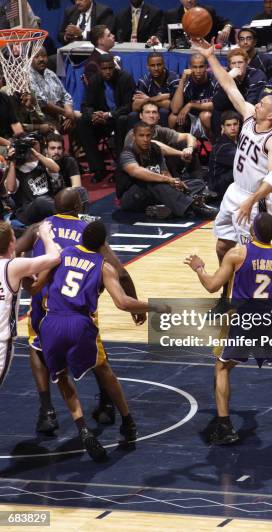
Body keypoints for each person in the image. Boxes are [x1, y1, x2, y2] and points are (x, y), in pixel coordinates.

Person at [184, 212, 272, 444]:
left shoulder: (237, 253)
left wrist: (199, 268)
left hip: (245, 319)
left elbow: (212, 286)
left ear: (252, 232)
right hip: (271, 319)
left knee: (222, 368)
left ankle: (225, 426)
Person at [16, 188, 145, 435]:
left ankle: (47, 411)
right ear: (79, 207)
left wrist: (23, 271)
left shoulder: (39, 227)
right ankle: (108, 405)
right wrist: (135, 305)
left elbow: (14, 251)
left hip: (43, 303)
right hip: (76, 306)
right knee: (97, 357)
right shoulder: (87, 231)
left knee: (37, 349)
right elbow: (121, 272)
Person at [36, 219, 166, 460]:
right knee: (104, 370)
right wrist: (155, 306)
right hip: (79, 323)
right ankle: (127, 422)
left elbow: (36, 285)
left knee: (62, 377)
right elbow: (123, 302)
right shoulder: (104, 266)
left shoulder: (62, 254)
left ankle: (83, 429)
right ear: (104, 243)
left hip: (51, 322)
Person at [193, 40, 272, 312]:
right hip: (235, 191)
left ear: (270, 116)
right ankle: (225, 295)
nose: (255, 104)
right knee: (224, 245)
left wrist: (251, 201)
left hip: (254, 200)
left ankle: (250, 303)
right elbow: (228, 85)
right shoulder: (249, 115)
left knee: (250, 256)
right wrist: (211, 58)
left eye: (261, 104)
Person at [0, 220, 60, 390]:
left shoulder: (15, 267)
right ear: (12, 243)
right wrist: (45, 234)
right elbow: (55, 257)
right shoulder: (14, 267)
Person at [116, 121, 217, 219]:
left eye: (148, 135)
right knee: (154, 182)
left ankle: (166, 208)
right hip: (130, 197)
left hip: (155, 193)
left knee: (197, 183)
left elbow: (165, 173)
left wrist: (175, 183)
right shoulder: (127, 153)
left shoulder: (155, 149)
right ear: (134, 137)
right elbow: (136, 171)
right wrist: (168, 180)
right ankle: (193, 207)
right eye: (141, 136)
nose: (145, 139)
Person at [77, 54, 136, 182]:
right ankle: (98, 168)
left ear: (114, 67)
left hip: (119, 119)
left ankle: (121, 169)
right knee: (82, 122)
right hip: (101, 121)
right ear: (99, 69)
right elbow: (85, 105)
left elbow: (129, 106)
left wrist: (109, 115)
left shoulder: (125, 78)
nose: (108, 71)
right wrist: (93, 115)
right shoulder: (94, 81)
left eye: (110, 68)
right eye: (104, 69)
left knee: (122, 120)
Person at [131, 101, 204, 181]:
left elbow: (189, 136)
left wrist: (189, 149)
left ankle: (199, 182)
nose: (151, 115)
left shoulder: (160, 130)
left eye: (154, 112)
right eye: (147, 112)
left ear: (159, 116)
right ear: (141, 116)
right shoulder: (134, 133)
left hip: (161, 166)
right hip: (143, 171)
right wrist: (181, 153)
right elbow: (154, 146)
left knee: (184, 144)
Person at [5, 134, 59, 225]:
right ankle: (68, 218)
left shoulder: (43, 162)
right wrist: (12, 162)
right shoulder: (14, 170)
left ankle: (80, 218)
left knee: (78, 191)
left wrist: (36, 153)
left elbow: (56, 168)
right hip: (28, 211)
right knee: (41, 201)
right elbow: (10, 188)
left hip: (48, 205)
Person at [212, 48, 268, 136]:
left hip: (250, 110)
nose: (237, 66)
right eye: (233, 63)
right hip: (230, 109)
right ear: (229, 65)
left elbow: (251, 101)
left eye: (240, 62)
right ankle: (220, 144)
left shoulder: (257, 75)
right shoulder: (225, 75)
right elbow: (217, 103)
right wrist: (228, 79)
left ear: (247, 62)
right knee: (217, 112)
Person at [161, 0, 233, 45]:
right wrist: (156, 39)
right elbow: (162, 33)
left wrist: (227, 27)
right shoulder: (171, 15)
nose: (189, 0)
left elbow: (225, 22)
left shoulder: (207, 11)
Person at [29, 47, 78, 132]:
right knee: (55, 136)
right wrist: (65, 113)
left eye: (44, 56)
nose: (41, 59)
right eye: (37, 56)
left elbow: (65, 95)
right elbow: (42, 103)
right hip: (43, 118)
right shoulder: (28, 76)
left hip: (61, 113)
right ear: (30, 59)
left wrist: (69, 112)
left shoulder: (50, 73)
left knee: (84, 119)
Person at [170, 53, 217, 137]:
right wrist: (182, 82)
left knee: (205, 116)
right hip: (191, 119)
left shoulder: (214, 80)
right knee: (173, 118)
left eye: (201, 67)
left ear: (206, 67)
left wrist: (190, 105)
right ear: (190, 68)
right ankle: (180, 148)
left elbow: (216, 104)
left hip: (209, 119)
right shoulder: (185, 81)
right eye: (195, 67)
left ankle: (215, 148)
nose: (198, 71)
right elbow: (175, 110)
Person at [132, 54, 179, 126]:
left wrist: (148, 99)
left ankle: (164, 136)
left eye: (159, 65)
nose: (156, 68)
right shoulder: (144, 80)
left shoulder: (173, 78)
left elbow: (172, 105)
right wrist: (161, 98)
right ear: (147, 67)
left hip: (168, 113)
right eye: (152, 65)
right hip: (149, 110)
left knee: (163, 111)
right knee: (133, 115)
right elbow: (135, 106)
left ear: (164, 65)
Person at [45, 133, 89, 210]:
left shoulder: (69, 161)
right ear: (46, 150)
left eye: (59, 148)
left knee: (81, 191)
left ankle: (81, 220)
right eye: (52, 148)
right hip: (48, 200)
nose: (56, 151)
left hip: (66, 198)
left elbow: (77, 185)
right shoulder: (41, 163)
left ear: (63, 149)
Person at [208, 110, 240, 197]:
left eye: (235, 124)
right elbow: (243, 161)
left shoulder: (239, 141)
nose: (232, 128)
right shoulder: (222, 146)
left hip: (228, 183)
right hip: (219, 188)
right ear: (223, 127)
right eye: (228, 125)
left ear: (239, 124)